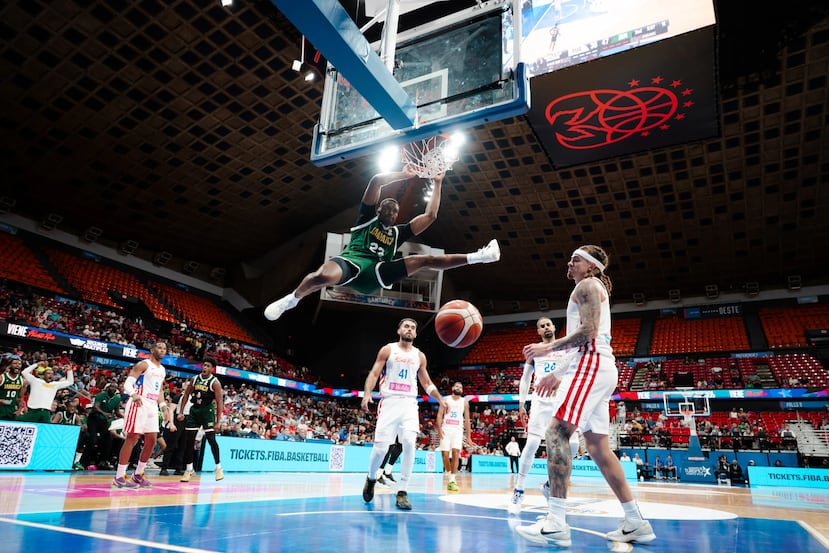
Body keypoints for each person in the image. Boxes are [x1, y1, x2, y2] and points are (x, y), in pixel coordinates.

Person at [515, 245, 655, 546]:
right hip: (597, 365)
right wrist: (558, 372)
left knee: (555, 432)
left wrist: (547, 348)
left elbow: (589, 332)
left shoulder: (588, 285)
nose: (570, 262)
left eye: (575, 259)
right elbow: (589, 338)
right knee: (598, 448)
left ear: (591, 266)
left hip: (591, 364)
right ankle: (635, 522)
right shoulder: (589, 286)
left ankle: (555, 522)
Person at [264, 166, 500, 321]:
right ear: (378, 209)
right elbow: (376, 180)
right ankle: (292, 299)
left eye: (395, 209)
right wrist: (404, 175)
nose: (391, 209)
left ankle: (481, 256)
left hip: (376, 273)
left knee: (423, 260)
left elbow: (430, 217)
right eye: (387, 206)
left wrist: (438, 182)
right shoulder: (366, 218)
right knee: (321, 277)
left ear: (397, 215)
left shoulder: (399, 232)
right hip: (352, 261)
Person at [360, 318, 446, 510]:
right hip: (389, 402)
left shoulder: (419, 356)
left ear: (415, 334)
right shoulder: (388, 350)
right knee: (381, 448)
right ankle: (371, 477)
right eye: (406, 326)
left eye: (413, 327)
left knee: (409, 443)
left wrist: (440, 398)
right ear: (399, 330)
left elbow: (426, 382)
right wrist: (367, 393)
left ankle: (402, 491)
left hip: (409, 404)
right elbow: (374, 374)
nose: (409, 329)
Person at [508, 317, 579, 514]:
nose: (546, 327)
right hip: (540, 402)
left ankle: (549, 485)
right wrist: (521, 403)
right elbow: (525, 378)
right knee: (531, 445)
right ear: (538, 331)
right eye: (542, 326)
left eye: (549, 324)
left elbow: (573, 371)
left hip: (561, 401)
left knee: (573, 445)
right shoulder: (534, 351)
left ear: (554, 327)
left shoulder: (565, 347)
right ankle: (518, 491)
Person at [112, 341, 176, 489]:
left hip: (153, 405)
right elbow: (128, 383)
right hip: (139, 402)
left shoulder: (163, 369)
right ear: (152, 349)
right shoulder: (143, 364)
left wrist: (164, 407)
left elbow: (159, 390)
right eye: (159, 347)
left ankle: (138, 475)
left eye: (164, 348)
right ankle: (119, 476)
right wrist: (133, 394)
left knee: (152, 440)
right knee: (132, 438)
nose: (162, 350)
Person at [178, 358, 225, 482]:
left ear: (212, 369)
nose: (205, 367)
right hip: (195, 410)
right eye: (204, 365)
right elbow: (186, 395)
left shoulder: (215, 382)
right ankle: (189, 469)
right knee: (189, 441)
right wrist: (181, 412)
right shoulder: (195, 379)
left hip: (207, 411)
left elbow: (220, 401)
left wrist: (218, 421)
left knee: (211, 439)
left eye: (208, 366)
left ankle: (218, 468)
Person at [436, 381, 473, 491]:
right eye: (457, 386)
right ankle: (449, 474)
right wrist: (439, 428)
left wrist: (469, 437)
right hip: (446, 429)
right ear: (452, 388)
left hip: (458, 430)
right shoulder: (446, 400)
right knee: (445, 454)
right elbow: (439, 414)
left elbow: (467, 420)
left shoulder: (465, 402)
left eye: (461, 387)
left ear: (462, 390)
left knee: (456, 453)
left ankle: (452, 479)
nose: (459, 388)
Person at [84, 382, 121, 470]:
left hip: (104, 422)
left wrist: (126, 417)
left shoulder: (116, 399)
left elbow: (117, 412)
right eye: (111, 386)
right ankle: (84, 462)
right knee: (93, 439)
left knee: (108, 439)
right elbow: (96, 407)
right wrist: (105, 414)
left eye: (114, 387)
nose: (112, 388)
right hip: (94, 419)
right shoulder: (101, 395)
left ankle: (103, 462)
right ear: (108, 388)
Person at [0, 355, 26, 420]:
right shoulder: (1, 378)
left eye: (19, 364)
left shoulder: (22, 381)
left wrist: (19, 410)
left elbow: (20, 398)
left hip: (12, 410)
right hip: (1, 408)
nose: (17, 365)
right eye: (15, 363)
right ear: (10, 365)